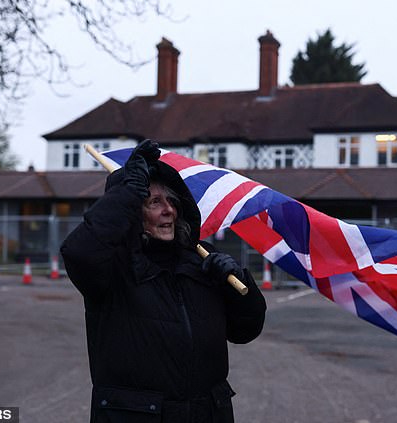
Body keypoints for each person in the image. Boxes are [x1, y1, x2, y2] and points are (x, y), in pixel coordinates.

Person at [61, 140, 267, 423]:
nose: (168, 210)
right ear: (133, 211)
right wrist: (129, 190)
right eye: (154, 202)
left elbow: (246, 330)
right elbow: (79, 253)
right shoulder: (113, 268)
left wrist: (241, 289)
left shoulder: (201, 262)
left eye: (172, 201)